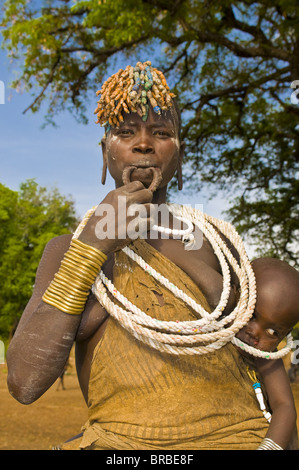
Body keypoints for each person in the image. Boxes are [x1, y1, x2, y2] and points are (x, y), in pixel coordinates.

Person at [5, 61, 292, 450]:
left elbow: (261, 355)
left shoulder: (214, 244)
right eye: (126, 132)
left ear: (180, 154)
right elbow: (24, 382)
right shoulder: (69, 249)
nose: (144, 143)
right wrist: (93, 247)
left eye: (161, 132)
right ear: (105, 153)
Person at [234, 257, 299, 450]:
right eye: (252, 315)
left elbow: (284, 406)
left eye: (273, 333)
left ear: (284, 337)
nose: (255, 332)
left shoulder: (265, 357)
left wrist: (269, 447)